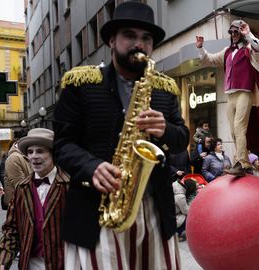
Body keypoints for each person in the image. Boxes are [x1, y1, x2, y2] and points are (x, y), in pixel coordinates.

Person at [52, 2, 189, 268]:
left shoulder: (165, 88)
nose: (139, 44)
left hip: (154, 212)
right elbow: (62, 145)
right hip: (97, 213)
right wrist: (91, 167)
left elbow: (182, 137)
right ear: (112, 40)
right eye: (130, 35)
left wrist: (166, 130)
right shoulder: (80, 83)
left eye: (146, 38)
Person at [196, 20, 259, 176]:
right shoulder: (227, 52)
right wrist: (200, 48)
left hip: (245, 92)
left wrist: (248, 34)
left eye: (236, 32)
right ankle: (242, 162)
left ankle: (242, 163)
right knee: (232, 131)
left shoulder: (248, 49)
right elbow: (208, 59)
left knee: (239, 127)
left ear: (241, 33)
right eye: (231, 32)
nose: (234, 35)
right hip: (230, 94)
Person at [0, 128, 70, 270]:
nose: (34, 156)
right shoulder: (21, 188)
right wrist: (3, 262)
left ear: (53, 154)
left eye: (40, 151)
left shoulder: (69, 185)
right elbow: (11, 229)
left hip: (63, 263)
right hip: (30, 264)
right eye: (30, 152)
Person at [2, 139, 31, 210]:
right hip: (19, 203)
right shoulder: (14, 157)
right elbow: (19, 183)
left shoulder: (25, 155)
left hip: (25, 202)